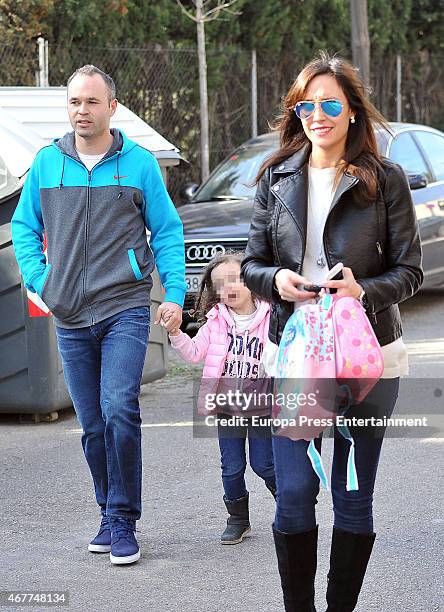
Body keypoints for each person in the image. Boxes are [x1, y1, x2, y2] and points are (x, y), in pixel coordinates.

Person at [241, 51, 423, 611]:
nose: (316, 115)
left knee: (351, 494)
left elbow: (410, 269)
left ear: (351, 112)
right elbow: (251, 265)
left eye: (329, 104)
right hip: (297, 356)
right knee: (294, 493)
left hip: (367, 354)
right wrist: (278, 280)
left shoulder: (384, 179)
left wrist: (362, 291)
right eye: (306, 105)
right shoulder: (276, 178)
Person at [11, 65, 186, 565]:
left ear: (112, 107)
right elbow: (24, 228)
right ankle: (107, 510)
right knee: (90, 425)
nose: (82, 110)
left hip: (124, 308)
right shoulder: (47, 164)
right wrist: (43, 281)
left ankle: (124, 520)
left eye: (92, 102)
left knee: (118, 409)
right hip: (70, 315)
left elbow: (168, 232)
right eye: (74, 102)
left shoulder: (139, 165)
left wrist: (173, 294)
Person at [163, 252, 276, 544]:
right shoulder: (215, 323)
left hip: (263, 406)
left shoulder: (272, 315)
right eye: (221, 284)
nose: (230, 287)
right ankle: (238, 519)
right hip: (227, 408)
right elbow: (193, 353)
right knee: (232, 466)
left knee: (264, 465)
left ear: (252, 279)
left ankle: (291, 504)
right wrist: (176, 332)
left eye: (236, 279)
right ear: (215, 292)